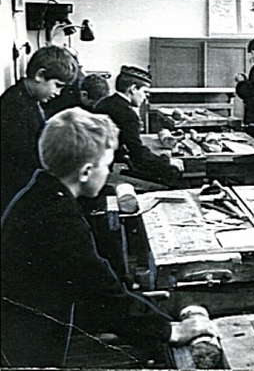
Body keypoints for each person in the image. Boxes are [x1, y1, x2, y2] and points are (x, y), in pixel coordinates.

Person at [0, 108, 218, 367]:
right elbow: (101, 295)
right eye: (106, 165)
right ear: (85, 172)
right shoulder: (58, 220)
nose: (108, 172)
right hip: (25, 343)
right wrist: (171, 330)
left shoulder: (41, 194)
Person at [0, 45, 77, 213]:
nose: (58, 93)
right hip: (15, 193)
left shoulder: (29, 100)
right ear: (40, 75)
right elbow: (22, 159)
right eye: (57, 85)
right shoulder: (15, 106)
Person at [94, 65, 183, 185]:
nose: (145, 98)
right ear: (133, 89)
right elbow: (138, 154)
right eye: (145, 92)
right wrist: (166, 161)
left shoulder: (104, 103)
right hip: (105, 173)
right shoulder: (127, 114)